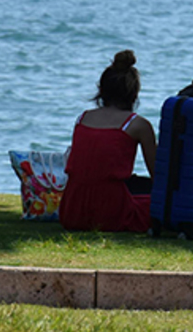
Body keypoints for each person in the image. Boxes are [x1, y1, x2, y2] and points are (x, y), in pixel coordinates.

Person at [58, 50, 157, 233]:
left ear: (101, 91)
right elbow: (157, 176)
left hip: (72, 209)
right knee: (152, 202)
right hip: (111, 211)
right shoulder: (138, 125)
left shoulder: (83, 118)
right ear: (134, 94)